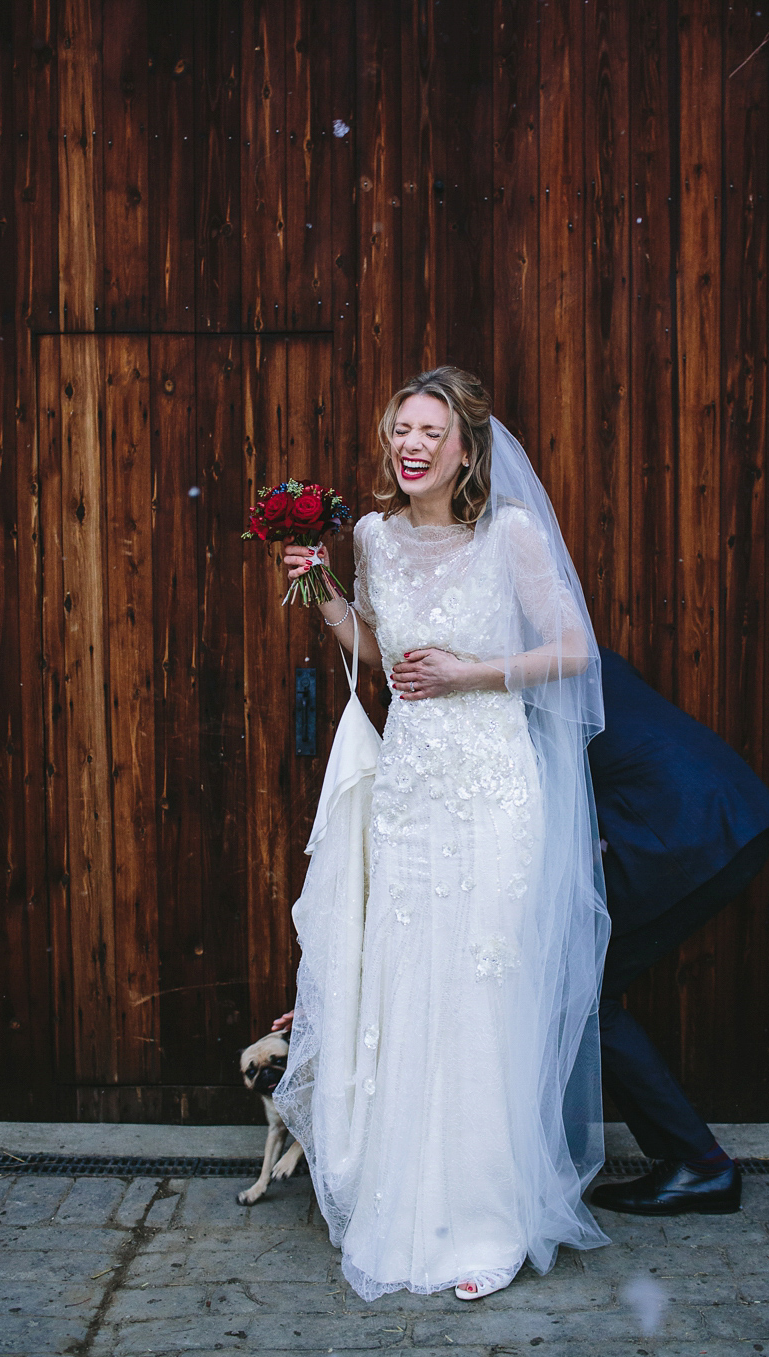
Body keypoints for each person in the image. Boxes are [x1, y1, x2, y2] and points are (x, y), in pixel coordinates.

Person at [272, 367, 612, 1302]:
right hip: (413, 792)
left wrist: (475, 673)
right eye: (398, 432)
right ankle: (409, 1209)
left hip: (495, 787)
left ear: (467, 447)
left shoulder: (509, 533)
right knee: (411, 982)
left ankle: (490, 1223)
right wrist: (323, 594)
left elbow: (574, 653)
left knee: (480, 991)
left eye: (428, 432)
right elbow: (379, 650)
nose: (409, 446)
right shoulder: (375, 536)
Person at [577, 648, 769, 1215]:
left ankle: (700, 1165)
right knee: (584, 996)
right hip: (714, 814)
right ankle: (693, 1162)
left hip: (688, 829)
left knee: (586, 1000)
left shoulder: (525, 665)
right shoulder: (569, 641)